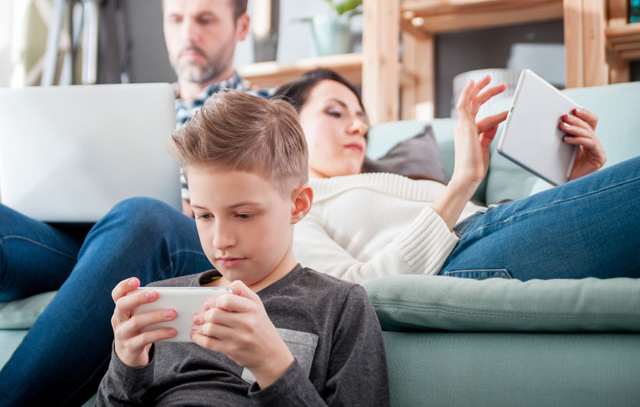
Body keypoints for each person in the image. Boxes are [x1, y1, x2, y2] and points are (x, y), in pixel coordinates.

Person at [0, 0, 270, 407]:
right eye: (175, 19)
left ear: (241, 27)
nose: (187, 34)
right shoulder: (131, 107)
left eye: (204, 19)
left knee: (140, 214)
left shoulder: (268, 111)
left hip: (183, 239)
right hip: (100, 243)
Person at [97, 90, 389, 406]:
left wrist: (273, 366)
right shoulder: (161, 305)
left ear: (297, 204)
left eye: (243, 214)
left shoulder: (340, 307)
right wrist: (126, 363)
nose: (221, 239)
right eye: (204, 215)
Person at [273, 69, 640, 282]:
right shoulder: (291, 211)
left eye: (361, 118)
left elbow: (492, 225)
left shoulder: (381, 183)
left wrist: (574, 179)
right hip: (457, 258)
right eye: (335, 113)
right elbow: (355, 291)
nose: (357, 126)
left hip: (486, 231)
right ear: (286, 124)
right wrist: (462, 183)